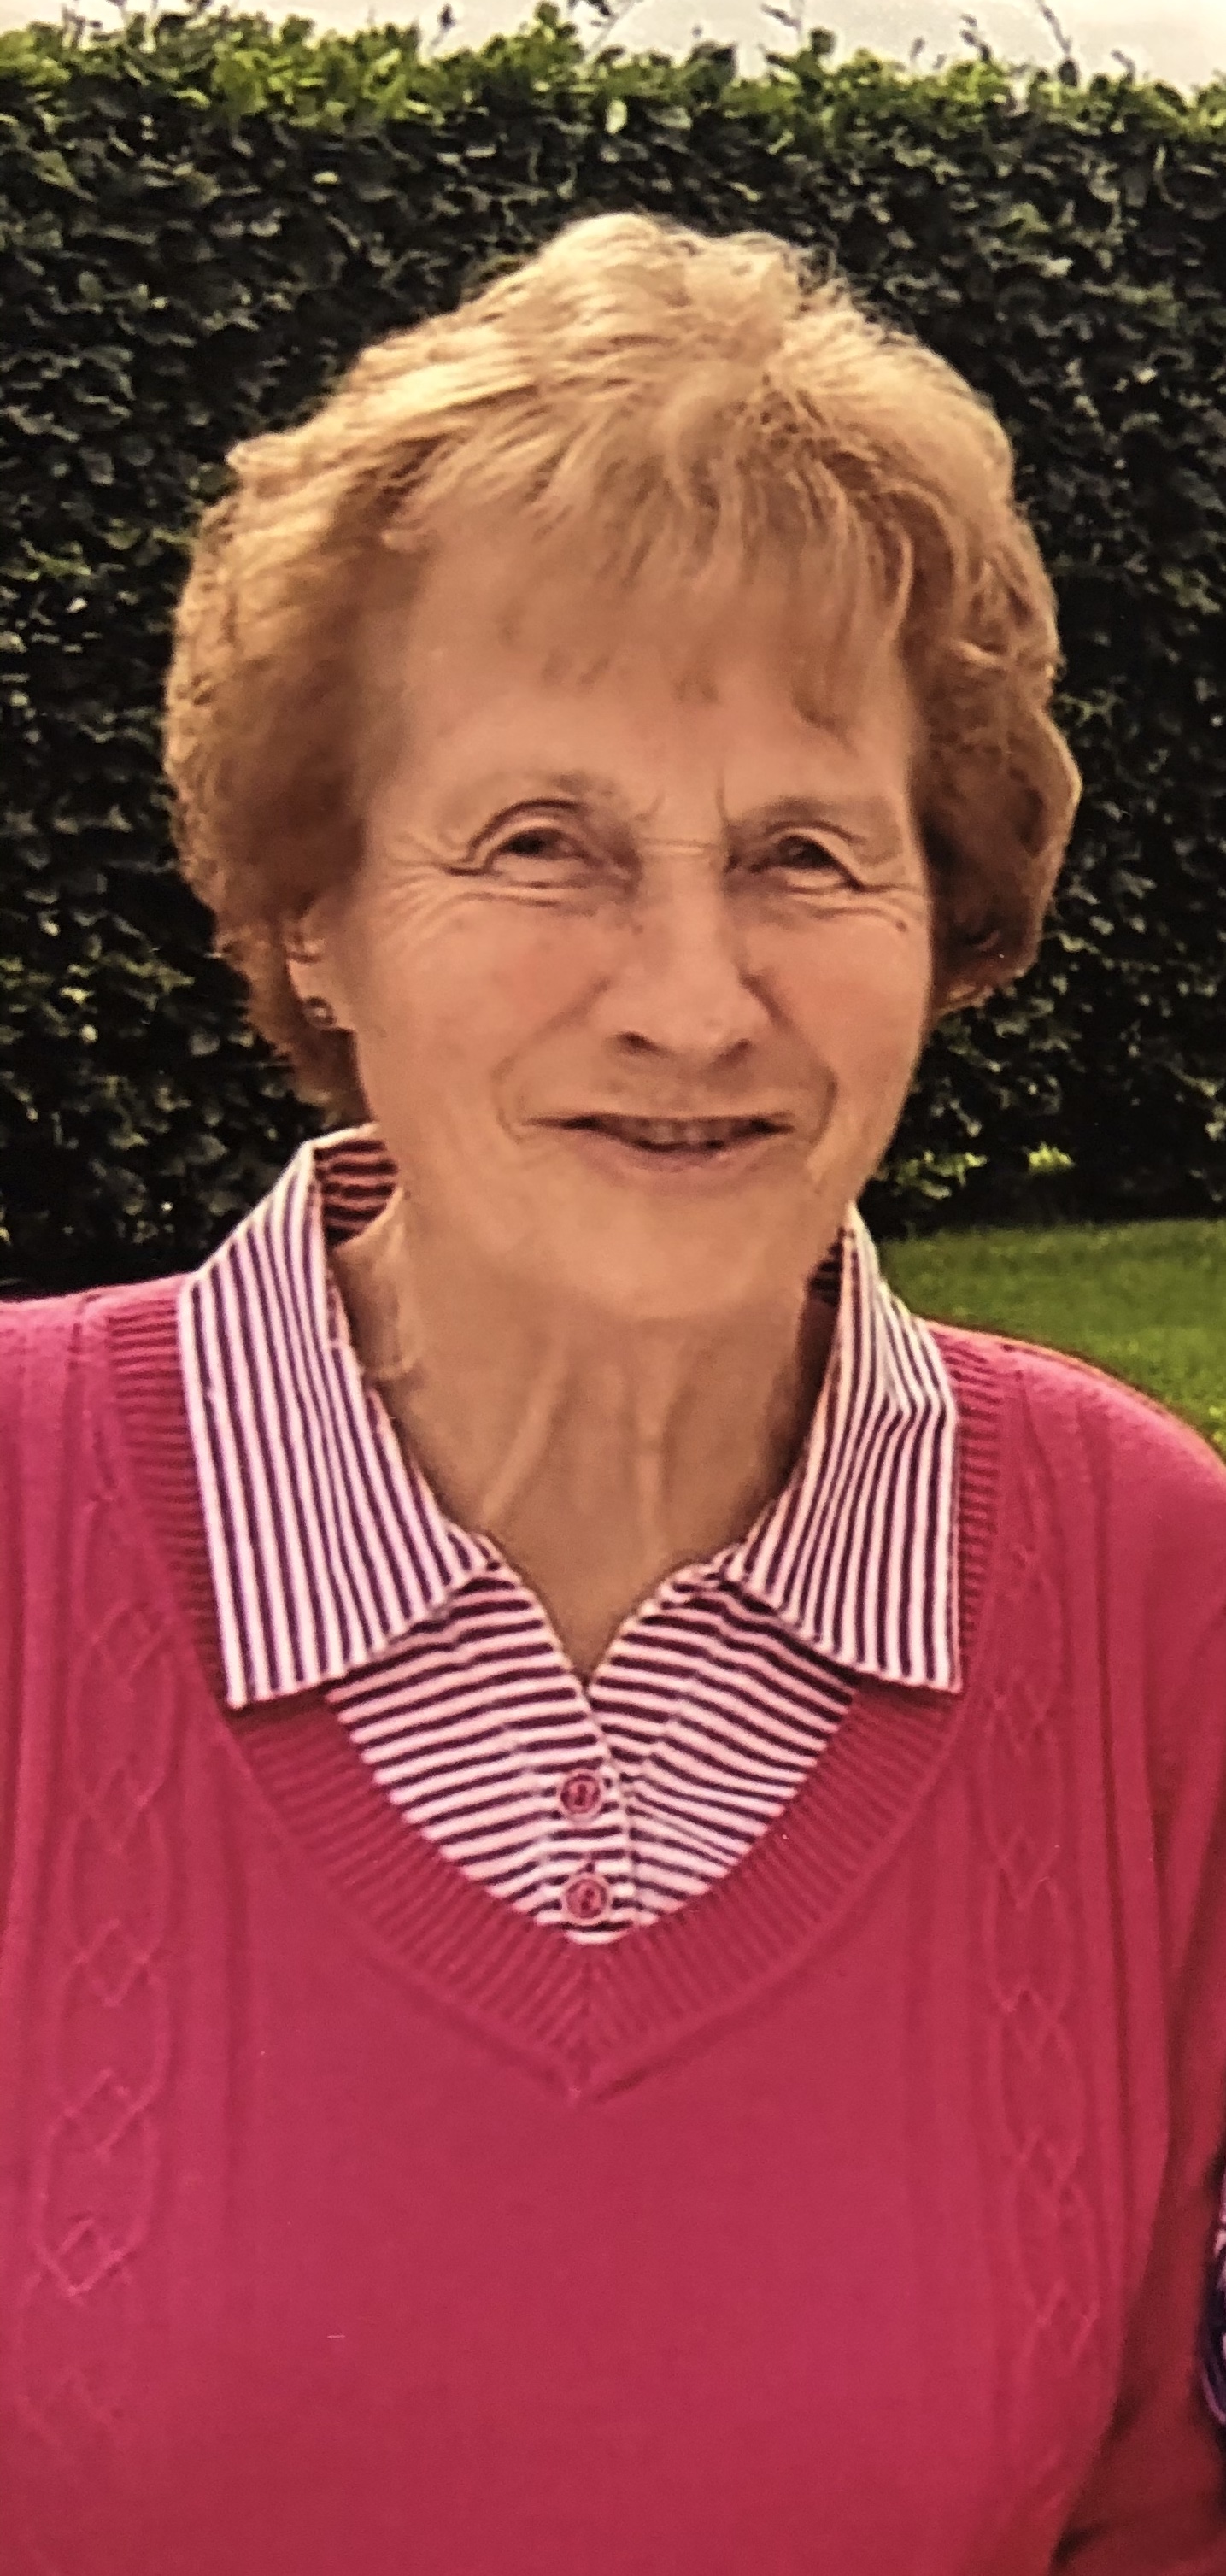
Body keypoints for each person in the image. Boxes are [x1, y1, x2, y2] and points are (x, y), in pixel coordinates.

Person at [1, 208, 1223, 2576]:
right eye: (541, 845)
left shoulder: (1152, 1590)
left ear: (938, 916)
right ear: (316, 915)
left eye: (803, 854)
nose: (687, 996)